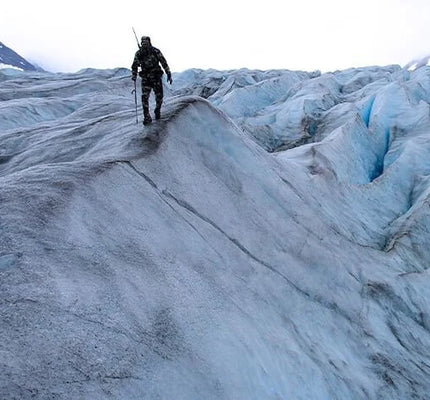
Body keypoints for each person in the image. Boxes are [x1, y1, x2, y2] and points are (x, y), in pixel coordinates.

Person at [131, 36, 172, 125]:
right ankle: (147, 117)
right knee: (144, 98)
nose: (144, 44)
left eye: (146, 42)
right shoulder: (139, 53)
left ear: (149, 42)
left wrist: (168, 72)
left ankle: (157, 110)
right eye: (143, 42)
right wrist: (134, 75)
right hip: (146, 78)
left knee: (159, 97)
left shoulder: (155, 51)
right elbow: (134, 65)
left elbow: (163, 61)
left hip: (156, 77)